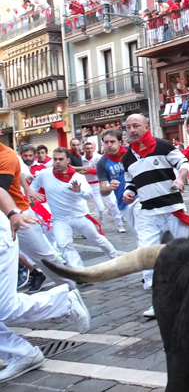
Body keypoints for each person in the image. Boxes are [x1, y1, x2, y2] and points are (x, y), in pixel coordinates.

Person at [0, 143, 91, 383]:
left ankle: (68, 291)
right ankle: (22, 353)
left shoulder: (6, 155)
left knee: (46, 257)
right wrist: (29, 189)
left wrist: (13, 214)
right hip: (13, 217)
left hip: (17, 217)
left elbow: (0, 189)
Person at [121, 114, 189, 318]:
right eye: (128, 127)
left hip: (172, 209)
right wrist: (129, 193)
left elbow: (184, 163)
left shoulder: (163, 145)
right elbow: (131, 181)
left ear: (146, 126)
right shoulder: (127, 157)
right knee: (147, 255)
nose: (132, 130)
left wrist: (180, 179)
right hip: (147, 213)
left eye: (136, 126)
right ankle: (159, 302)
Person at [30, 148, 122, 268]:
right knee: (63, 244)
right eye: (55, 159)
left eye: (61, 159)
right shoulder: (45, 174)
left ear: (68, 160)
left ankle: (116, 259)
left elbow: (89, 195)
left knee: (97, 239)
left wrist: (79, 191)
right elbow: (33, 187)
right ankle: (79, 271)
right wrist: (31, 196)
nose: (57, 162)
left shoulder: (78, 177)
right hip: (60, 219)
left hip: (80, 216)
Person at [96, 128, 134, 236]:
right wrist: (109, 187)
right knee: (141, 236)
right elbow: (103, 191)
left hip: (140, 198)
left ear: (120, 142)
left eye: (112, 142)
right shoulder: (102, 163)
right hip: (125, 203)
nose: (109, 145)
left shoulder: (131, 152)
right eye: (106, 142)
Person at [80, 140, 123, 233]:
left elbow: (101, 170)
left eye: (91, 148)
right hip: (91, 186)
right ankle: (99, 220)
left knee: (113, 204)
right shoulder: (81, 160)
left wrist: (89, 171)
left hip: (103, 182)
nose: (89, 150)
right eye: (87, 148)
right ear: (84, 149)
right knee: (100, 208)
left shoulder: (99, 158)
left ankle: (120, 225)